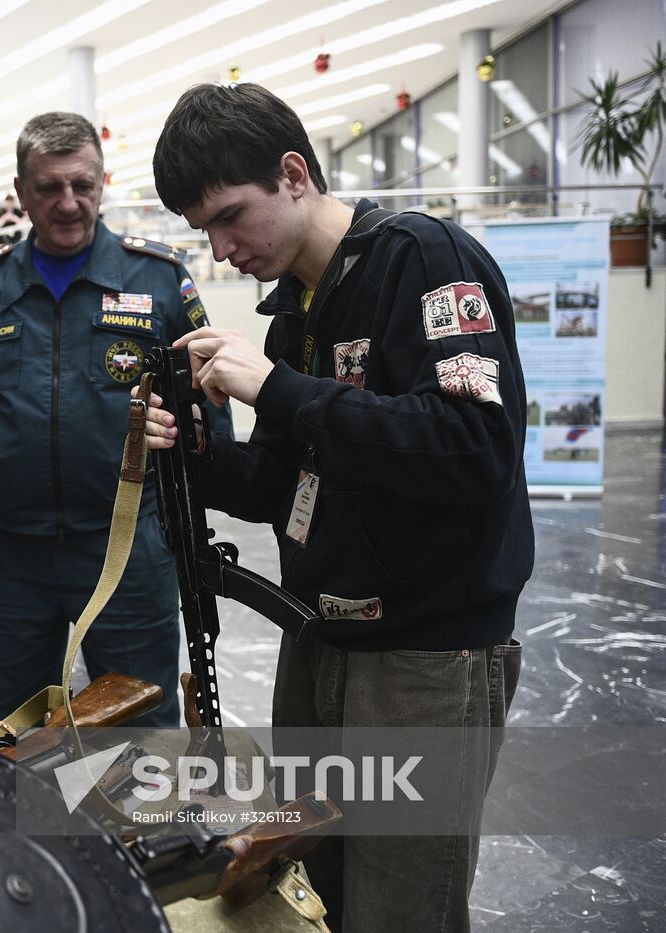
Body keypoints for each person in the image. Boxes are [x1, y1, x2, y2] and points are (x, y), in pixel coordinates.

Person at [143, 82, 532, 932]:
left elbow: (476, 446)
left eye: (231, 216)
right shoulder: (297, 316)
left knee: (402, 906)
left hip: (425, 658)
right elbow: (287, 487)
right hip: (321, 640)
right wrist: (195, 454)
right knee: (316, 893)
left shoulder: (424, 261)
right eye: (202, 230)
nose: (220, 248)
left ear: (293, 173)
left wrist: (282, 389)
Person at [0, 111, 232, 728]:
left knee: (141, 716)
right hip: (13, 556)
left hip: (127, 551)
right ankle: (40, 827)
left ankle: (148, 829)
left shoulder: (159, 280)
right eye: (49, 188)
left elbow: (209, 413)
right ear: (20, 191)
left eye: (82, 186)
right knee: (23, 722)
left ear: (102, 181)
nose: (68, 203)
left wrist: (193, 515)